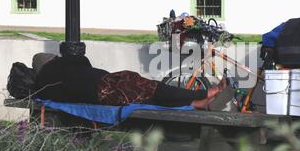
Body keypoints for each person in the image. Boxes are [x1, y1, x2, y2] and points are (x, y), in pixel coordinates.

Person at [32, 53, 226, 110]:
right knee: (152, 88)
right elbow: (82, 59)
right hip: (106, 86)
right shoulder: (57, 67)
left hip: (105, 88)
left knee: (149, 95)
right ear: (48, 61)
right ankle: (201, 94)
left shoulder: (47, 83)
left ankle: (194, 101)